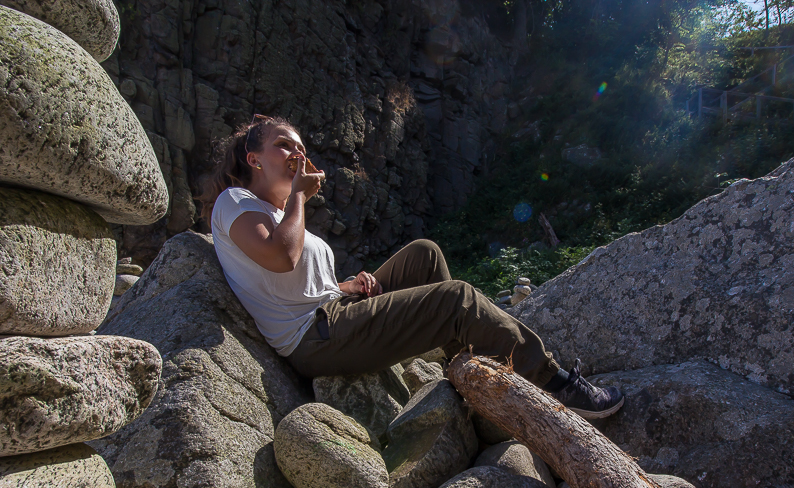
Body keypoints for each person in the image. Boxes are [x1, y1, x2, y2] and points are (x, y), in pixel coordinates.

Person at [197, 115, 623, 419]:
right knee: (457, 299)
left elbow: (298, 283)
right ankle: (557, 384)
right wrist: (299, 197)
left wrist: (347, 285)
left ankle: (470, 368)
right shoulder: (236, 203)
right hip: (314, 338)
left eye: (301, 148)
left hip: (332, 311)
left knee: (424, 252)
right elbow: (280, 257)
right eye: (284, 145)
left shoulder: (281, 212)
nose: (297, 154)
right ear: (254, 159)